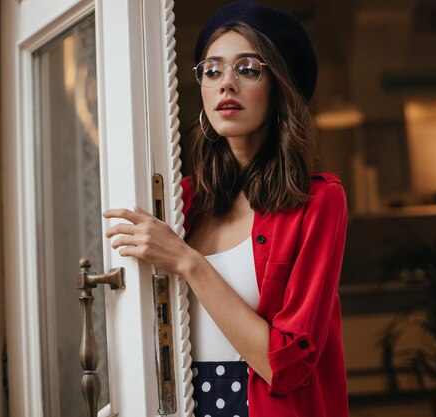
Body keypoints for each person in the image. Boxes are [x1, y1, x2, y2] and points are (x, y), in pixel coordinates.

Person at [103, 1, 349, 416]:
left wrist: (189, 262)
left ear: (280, 86)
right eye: (212, 70)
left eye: (248, 69)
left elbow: (286, 366)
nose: (226, 84)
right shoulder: (181, 200)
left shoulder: (319, 201)